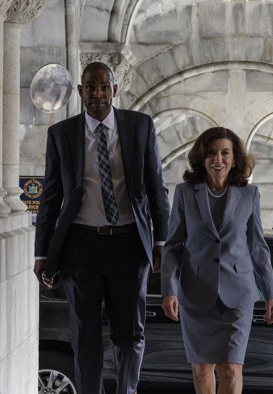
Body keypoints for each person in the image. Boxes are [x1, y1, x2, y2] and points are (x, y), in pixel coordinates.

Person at [33, 61, 170, 394]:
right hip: (81, 247)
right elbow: (50, 196)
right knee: (86, 336)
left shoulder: (140, 126)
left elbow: (156, 188)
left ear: (115, 90)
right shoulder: (61, 134)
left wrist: (162, 242)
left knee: (130, 334)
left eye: (104, 87)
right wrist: (41, 253)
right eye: (90, 87)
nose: (97, 94)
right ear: (80, 91)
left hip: (128, 245)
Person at [160, 127, 273, 394]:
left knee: (230, 368)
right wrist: (169, 289)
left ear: (235, 158)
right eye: (211, 153)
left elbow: (257, 247)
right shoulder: (185, 192)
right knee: (202, 370)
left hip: (238, 295)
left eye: (225, 152)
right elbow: (173, 246)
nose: (218, 159)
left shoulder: (250, 195)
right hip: (196, 293)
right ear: (202, 158)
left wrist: (270, 293)